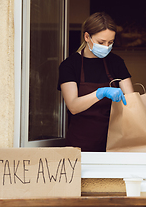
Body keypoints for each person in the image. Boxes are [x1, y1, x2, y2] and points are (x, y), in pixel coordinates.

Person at [57, 12, 134, 152]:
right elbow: (73, 106)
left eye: (110, 42)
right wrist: (101, 93)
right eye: (101, 42)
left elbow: (132, 100)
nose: (106, 46)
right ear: (87, 37)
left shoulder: (116, 63)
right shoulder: (69, 66)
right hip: (80, 145)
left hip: (114, 144)